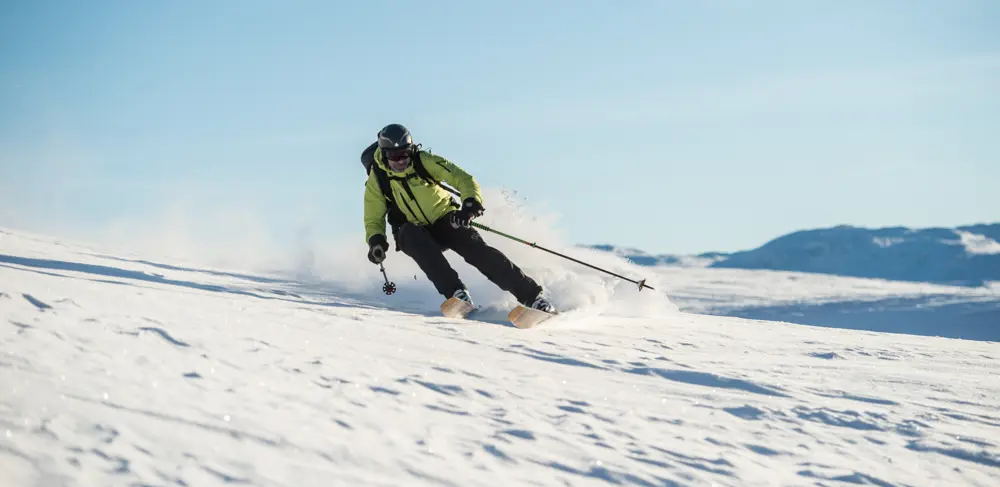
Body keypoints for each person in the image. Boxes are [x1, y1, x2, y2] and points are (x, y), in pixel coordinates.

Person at [363, 123, 555, 313]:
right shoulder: (378, 178)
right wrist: (376, 241)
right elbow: (373, 215)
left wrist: (470, 204)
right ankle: (457, 294)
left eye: (404, 154)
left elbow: (463, 179)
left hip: (445, 218)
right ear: (383, 154)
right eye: (393, 156)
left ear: (411, 149)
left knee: (478, 251)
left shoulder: (424, 161)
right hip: (414, 231)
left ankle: (534, 298)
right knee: (410, 235)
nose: (400, 161)